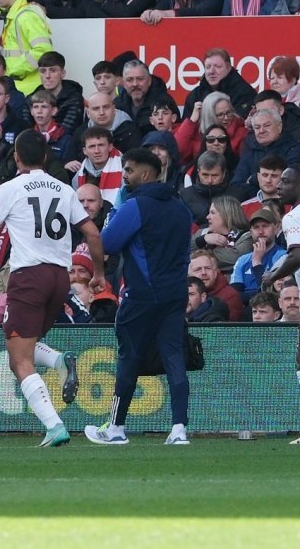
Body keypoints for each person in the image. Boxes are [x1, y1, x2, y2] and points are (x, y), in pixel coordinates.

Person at [0, 130, 106, 447]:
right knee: (20, 342)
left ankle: (54, 425)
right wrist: (98, 273)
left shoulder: (11, 188)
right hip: (60, 278)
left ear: (16, 158)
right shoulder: (64, 189)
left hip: (28, 277)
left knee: (18, 360)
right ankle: (58, 361)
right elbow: (93, 234)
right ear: (45, 157)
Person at [83, 148, 191, 445]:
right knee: (173, 357)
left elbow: (107, 243)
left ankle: (116, 427)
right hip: (175, 293)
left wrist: (114, 213)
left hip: (141, 294)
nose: (125, 177)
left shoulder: (135, 206)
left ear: (145, 174)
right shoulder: (181, 207)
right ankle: (179, 428)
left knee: (128, 358)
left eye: (129, 171)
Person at [0, 0, 53, 96]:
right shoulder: (15, 16)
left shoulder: (26, 16)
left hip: (29, 89)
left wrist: (12, 70)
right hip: (20, 86)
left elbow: (43, 50)